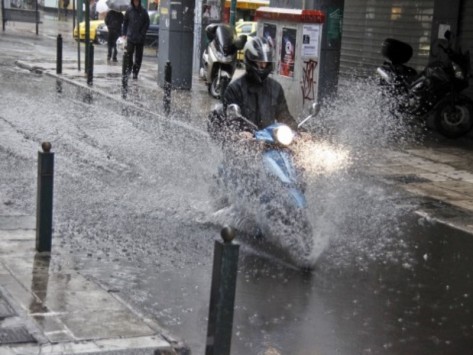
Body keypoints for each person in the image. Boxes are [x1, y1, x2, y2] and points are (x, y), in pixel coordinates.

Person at [222, 36, 298, 137]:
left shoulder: (276, 88)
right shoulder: (234, 89)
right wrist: (243, 132)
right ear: (250, 60)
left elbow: (284, 115)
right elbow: (232, 121)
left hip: (271, 141)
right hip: (246, 143)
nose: (263, 66)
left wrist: (298, 130)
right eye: (260, 62)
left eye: (266, 63)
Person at [122, 0, 150, 80]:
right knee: (129, 55)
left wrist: (142, 33)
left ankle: (135, 73)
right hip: (130, 37)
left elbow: (147, 23)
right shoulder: (129, 10)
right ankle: (129, 69)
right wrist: (124, 33)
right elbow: (125, 22)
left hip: (140, 38)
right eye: (134, 1)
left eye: (137, 1)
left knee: (138, 57)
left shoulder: (143, 11)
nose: (136, 2)